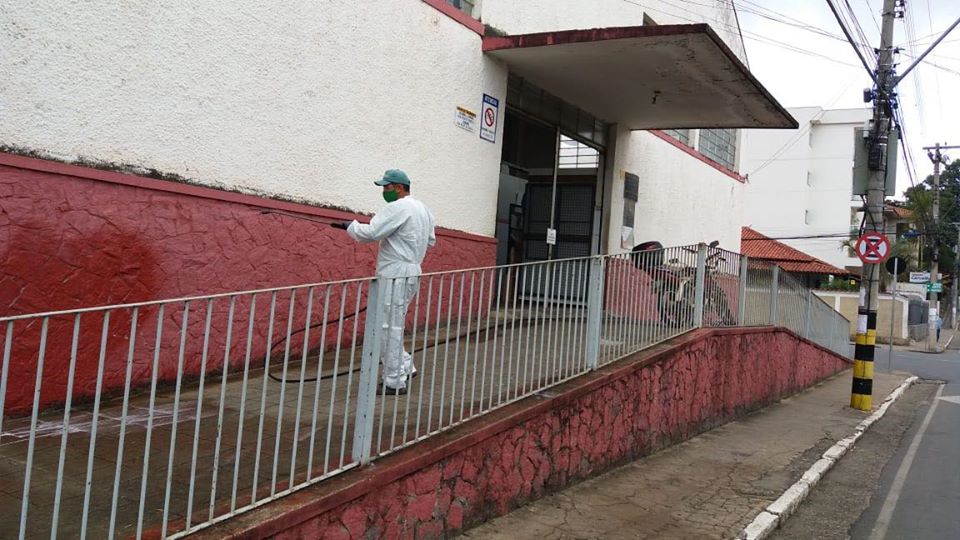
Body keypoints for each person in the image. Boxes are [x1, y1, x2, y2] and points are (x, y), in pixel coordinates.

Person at [331, 170, 436, 395]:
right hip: (412, 270)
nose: (384, 191)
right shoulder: (423, 209)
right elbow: (430, 241)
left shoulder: (398, 208)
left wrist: (351, 226)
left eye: (386, 187)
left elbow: (370, 233)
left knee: (388, 327)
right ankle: (406, 365)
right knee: (392, 323)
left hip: (395, 273)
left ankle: (394, 381)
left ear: (399, 187)